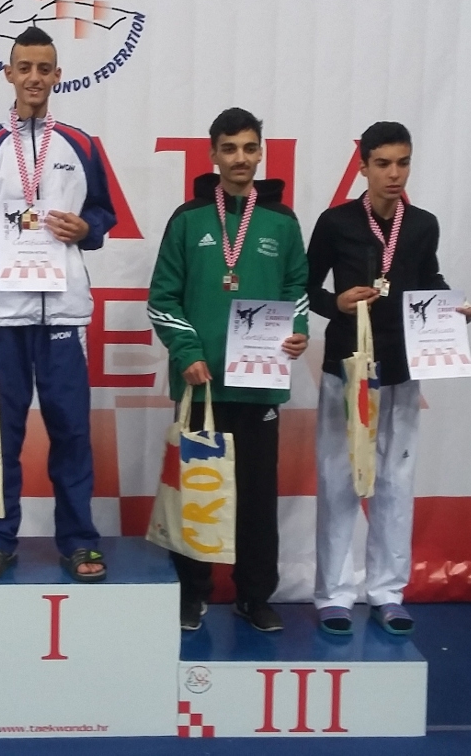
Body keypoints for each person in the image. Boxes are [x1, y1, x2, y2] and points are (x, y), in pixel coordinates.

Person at [0, 27, 117, 583]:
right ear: (9, 73)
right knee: (0, 437)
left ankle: (80, 541)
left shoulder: (82, 145)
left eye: (44, 68)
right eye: (25, 68)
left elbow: (104, 214)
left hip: (63, 314)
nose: (34, 78)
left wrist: (88, 228)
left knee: (72, 434)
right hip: (1, 316)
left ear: (57, 76)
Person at [305, 121, 471, 635]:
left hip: (402, 367)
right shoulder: (335, 222)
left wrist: (451, 308)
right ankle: (333, 594)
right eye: (383, 164)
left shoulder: (422, 225)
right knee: (339, 480)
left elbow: (429, 279)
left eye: (402, 163)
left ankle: (387, 592)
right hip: (347, 368)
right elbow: (305, 287)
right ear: (363, 167)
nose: (394, 174)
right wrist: (337, 303)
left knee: (396, 484)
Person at [146, 108, 309, 632]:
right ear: (213, 154)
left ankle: (255, 596)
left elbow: (297, 289)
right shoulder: (188, 219)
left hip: (259, 386)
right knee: (196, 494)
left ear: (261, 153)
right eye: (230, 148)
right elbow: (162, 298)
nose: (241, 158)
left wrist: (297, 330)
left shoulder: (282, 221)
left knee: (257, 500)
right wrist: (187, 352)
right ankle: (191, 594)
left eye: (249, 148)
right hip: (202, 386)